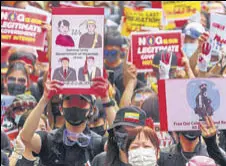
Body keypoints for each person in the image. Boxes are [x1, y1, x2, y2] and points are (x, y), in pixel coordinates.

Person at [20, 74, 115, 165]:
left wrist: (106, 99)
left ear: (92, 109)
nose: (74, 105)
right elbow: (25, 137)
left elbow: (120, 142)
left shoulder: (98, 144)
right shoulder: (48, 141)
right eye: (69, 100)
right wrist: (45, 98)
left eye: (81, 101)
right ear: (61, 108)